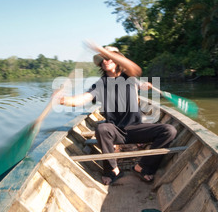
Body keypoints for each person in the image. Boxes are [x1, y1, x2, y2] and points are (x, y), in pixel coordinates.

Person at [59, 42, 177, 185]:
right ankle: (112, 169)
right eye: (103, 59)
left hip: (136, 128)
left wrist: (103, 51)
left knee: (169, 130)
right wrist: (64, 99)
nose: (105, 60)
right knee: (102, 128)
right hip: (115, 132)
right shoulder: (100, 84)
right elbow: (84, 98)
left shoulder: (130, 77)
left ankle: (141, 167)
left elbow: (135, 69)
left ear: (117, 60)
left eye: (109, 57)